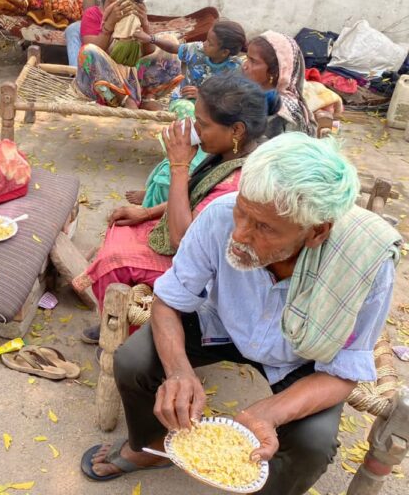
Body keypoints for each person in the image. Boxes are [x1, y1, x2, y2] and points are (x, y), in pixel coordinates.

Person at [81, 133, 401, 495]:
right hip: (224, 325)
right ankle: (151, 448)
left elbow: (344, 371)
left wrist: (272, 411)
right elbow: (168, 299)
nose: (240, 234)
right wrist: (179, 371)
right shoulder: (220, 216)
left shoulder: (365, 264)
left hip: (301, 355)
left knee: (313, 445)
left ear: (316, 232)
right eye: (242, 211)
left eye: (263, 227)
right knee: (134, 361)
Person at [74, 74, 270, 344]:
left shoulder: (237, 183)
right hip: (189, 234)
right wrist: (145, 212)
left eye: (202, 124)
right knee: (120, 229)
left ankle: (128, 339)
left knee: (113, 263)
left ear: (236, 130)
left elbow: (184, 241)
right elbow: (196, 198)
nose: (195, 131)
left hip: (207, 270)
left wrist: (179, 167)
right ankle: (115, 318)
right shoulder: (229, 153)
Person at [126, 19, 247, 205]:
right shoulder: (196, 51)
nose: (204, 44)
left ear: (225, 52)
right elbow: (175, 48)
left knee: (204, 133)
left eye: (210, 43)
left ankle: (183, 177)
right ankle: (162, 184)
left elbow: (232, 96)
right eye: (206, 40)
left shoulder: (235, 68)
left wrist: (205, 95)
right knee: (190, 125)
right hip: (185, 103)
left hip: (213, 109)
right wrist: (150, 38)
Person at [74, 0, 181, 110]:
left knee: (170, 41)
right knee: (88, 52)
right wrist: (110, 24)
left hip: (130, 72)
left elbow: (148, 51)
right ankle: (123, 98)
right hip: (103, 85)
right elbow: (94, 51)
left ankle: (146, 97)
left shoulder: (136, 10)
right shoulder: (92, 14)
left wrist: (145, 23)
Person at [243, 31, 316, 136]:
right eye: (247, 58)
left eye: (253, 61)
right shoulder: (248, 91)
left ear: (275, 71)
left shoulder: (280, 110)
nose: (245, 65)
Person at [108, 0, 149, 66]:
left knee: (113, 65)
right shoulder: (141, 7)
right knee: (130, 67)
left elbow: (110, 8)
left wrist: (104, 18)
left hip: (121, 41)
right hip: (135, 44)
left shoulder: (121, 1)